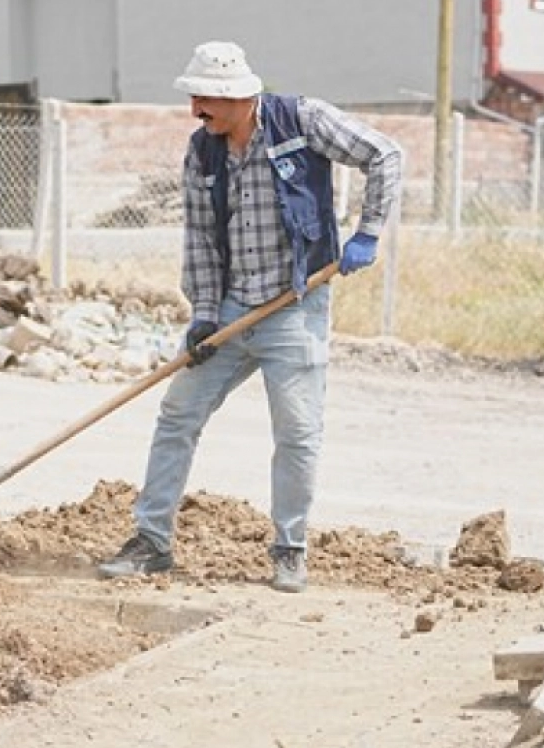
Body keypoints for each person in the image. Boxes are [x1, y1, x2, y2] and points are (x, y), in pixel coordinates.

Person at [97, 41, 403, 593]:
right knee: (177, 416)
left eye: (203, 101)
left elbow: (385, 155)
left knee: (297, 432)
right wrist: (205, 316)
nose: (195, 112)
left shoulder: (300, 120)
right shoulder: (203, 152)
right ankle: (152, 542)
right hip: (232, 310)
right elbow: (200, 242)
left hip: (294, 306)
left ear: (234, 96)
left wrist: (368, 231)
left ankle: (289, 549)